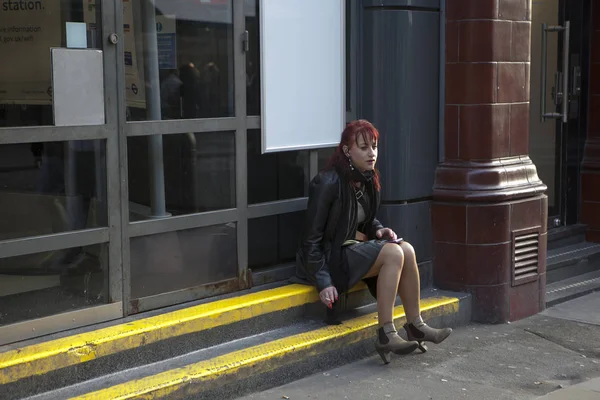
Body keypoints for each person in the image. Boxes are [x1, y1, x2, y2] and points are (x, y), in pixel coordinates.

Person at [295, 120, 452, 364]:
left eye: (375, 147)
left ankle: (415, 325)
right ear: (347, 150)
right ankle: (386, 333)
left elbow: (365, 219)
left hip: (354, 249)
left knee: (407, 249)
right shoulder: (327, 182)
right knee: (394, 254)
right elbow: (310, 240)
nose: (372, 154)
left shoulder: (367, 178)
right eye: (364, 147)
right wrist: (323, 281)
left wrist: (379, 230)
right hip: (332, 257)